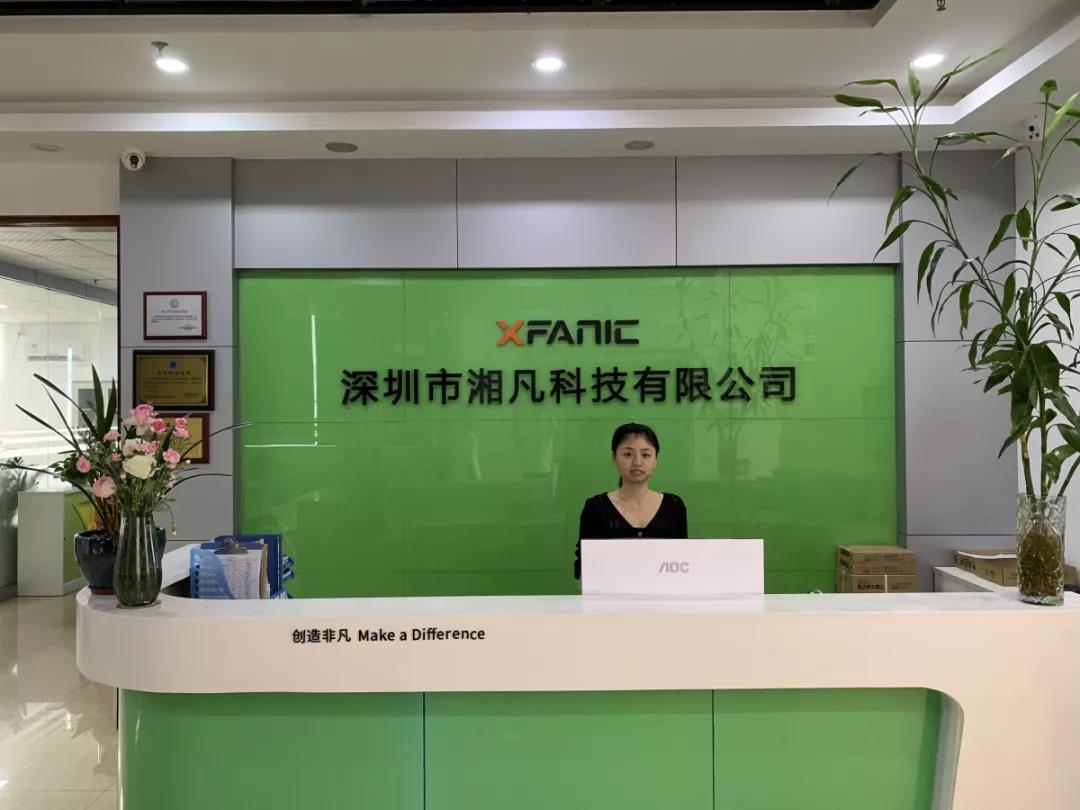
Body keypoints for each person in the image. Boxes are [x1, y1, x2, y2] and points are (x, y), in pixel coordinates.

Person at [574, 422, 688, 579]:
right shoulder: (596, 507)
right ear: (614, 457)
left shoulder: (674, 506)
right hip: (610, 593)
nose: (637, 462)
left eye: (645, 455)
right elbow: (583, 566)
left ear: (655, 459)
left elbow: (682, 562)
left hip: (663, 593)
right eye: (628, 454)